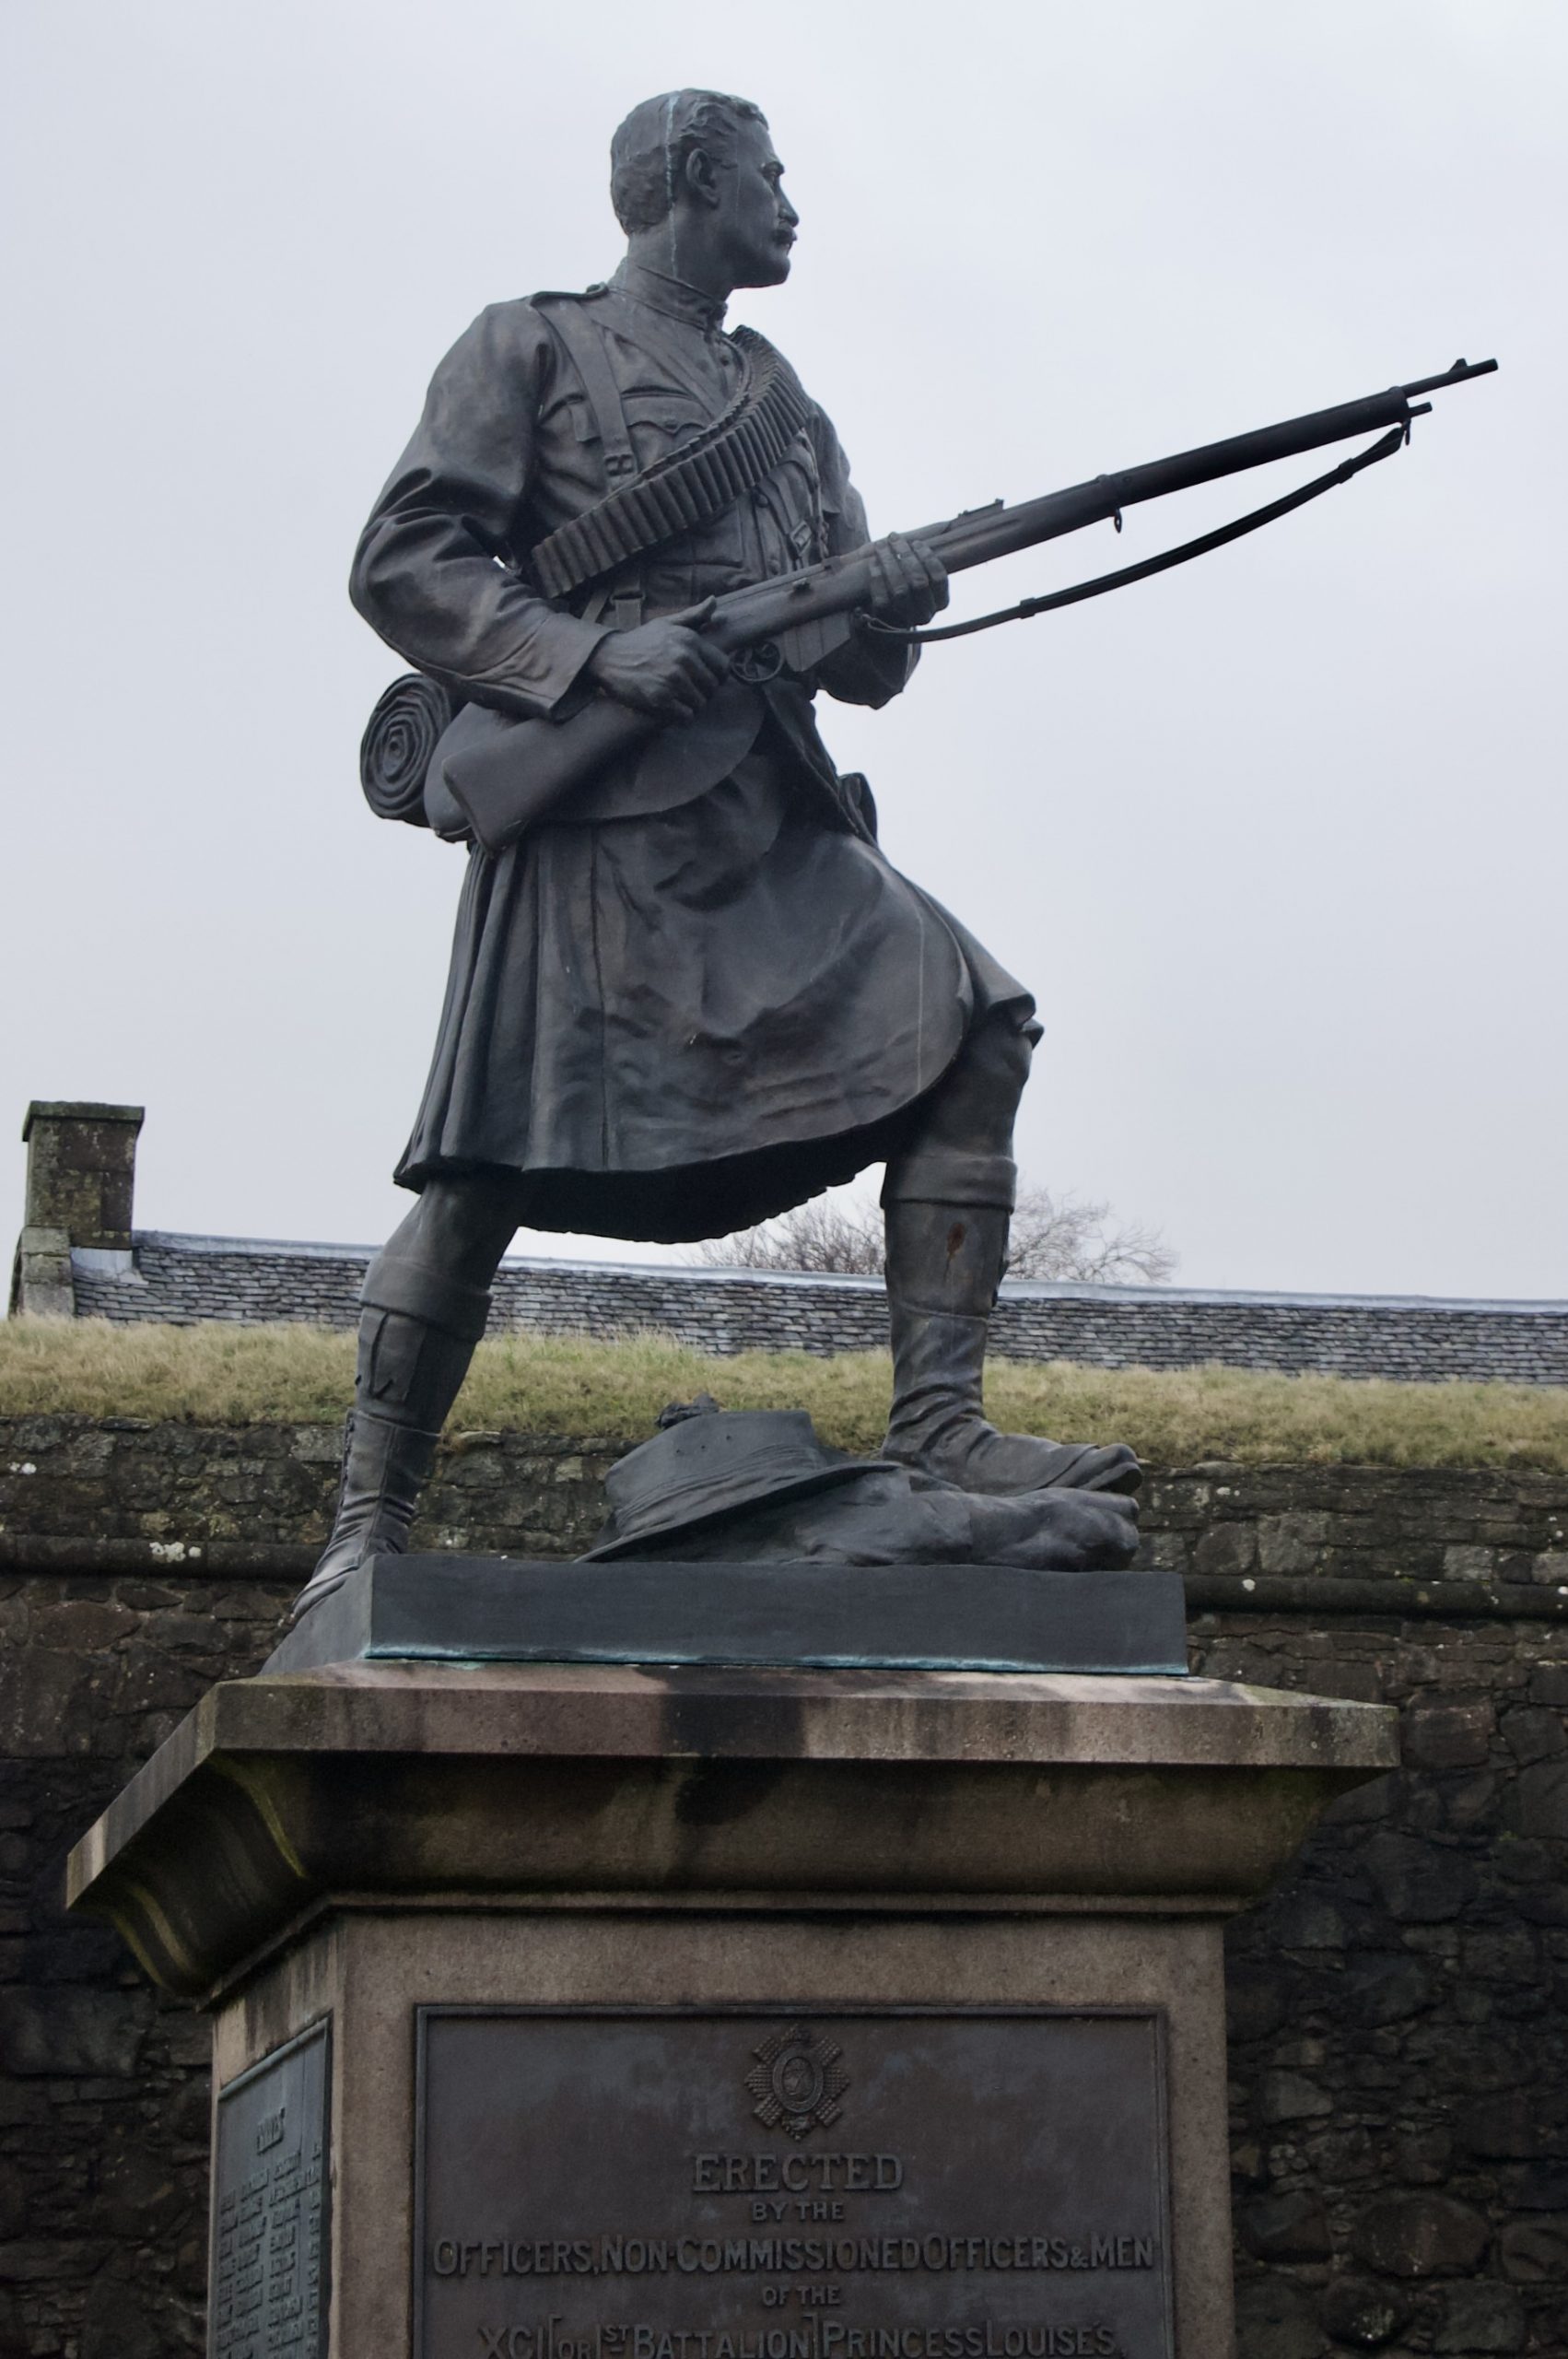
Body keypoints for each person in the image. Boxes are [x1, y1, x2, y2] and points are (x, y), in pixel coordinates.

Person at [294, 89, 1137, 1622]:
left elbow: (858, 667)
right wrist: (581, 657)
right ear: (693, 179)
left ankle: (940, 1421)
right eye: (769, 175)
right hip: (601, 814)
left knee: (979, 1021)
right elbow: (405, 562)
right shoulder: (527, 346)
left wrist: (886, 598)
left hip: (768, 810)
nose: (790, 203)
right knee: (485, 1172)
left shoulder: (783, 401)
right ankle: (367, 1515)